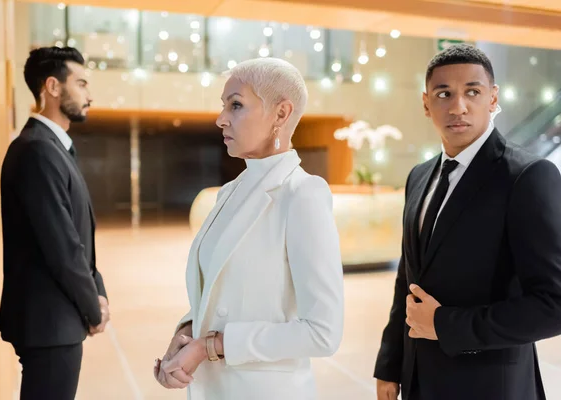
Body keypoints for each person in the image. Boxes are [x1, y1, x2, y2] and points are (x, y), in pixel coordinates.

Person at [374, 43, 561, 400]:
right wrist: (390, 364)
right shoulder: (419, 176)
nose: (458, 106)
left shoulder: (528, 177)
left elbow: (554, 305)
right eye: (444, 93)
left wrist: (444, 325)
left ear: (493, 99)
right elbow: (409, 280)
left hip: (489, 385)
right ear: (426, 103)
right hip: (419, 380)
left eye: (472, 92)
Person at [153, 57, 344, 400]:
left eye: (236, 105)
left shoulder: (303, 194)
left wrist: (211, 346)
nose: (220, 118)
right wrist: (185, 334)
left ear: (281, 114)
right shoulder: (229, 191)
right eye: (223, 106)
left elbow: (322, 333)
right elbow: (216, 291)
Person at [0, 46, 109, 400]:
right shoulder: (36, 150)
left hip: (56, 318)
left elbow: (78, 236)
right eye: (81, 83)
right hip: (49, 322)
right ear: (53, 87)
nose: (89, 95)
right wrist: (94, 309)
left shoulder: (53, 147)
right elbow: (61, 247)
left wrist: (99, 292)